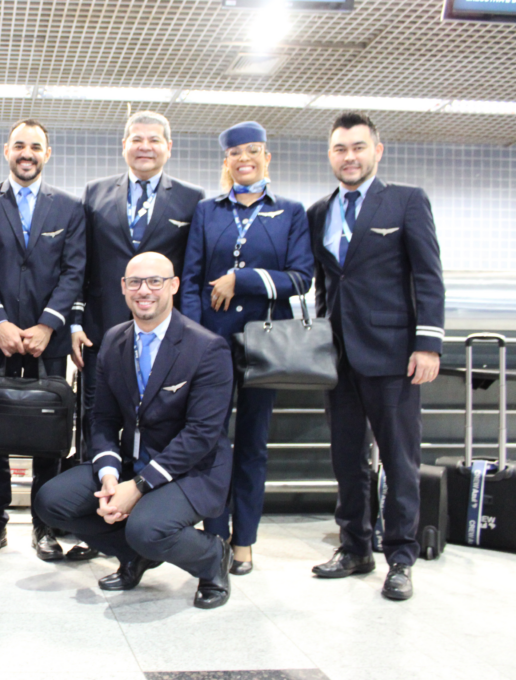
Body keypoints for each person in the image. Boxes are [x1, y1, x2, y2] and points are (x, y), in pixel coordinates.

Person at [36, 252, 236, 610]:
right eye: (135, 282)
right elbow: (104, 419)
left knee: (145, 527)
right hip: (132, 461)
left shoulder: (206, 347)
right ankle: (136, 556)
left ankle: (212, 557)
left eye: (155, 281)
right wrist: (111, 474)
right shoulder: (114, 340)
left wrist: (139, 487)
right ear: (123, 289)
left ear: (173, 286)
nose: (145, 290)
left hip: (192, 471)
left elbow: (202, 435)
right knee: (52, 502)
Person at [307, 112, 444, 601]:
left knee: (399, 460)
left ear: (376, 151)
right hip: (339, 358)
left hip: (393, 355)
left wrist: (428, 343)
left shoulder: (406, 201)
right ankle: (355, 547)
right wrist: (321, 337)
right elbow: (326, 283)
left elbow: (428, 275)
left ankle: (401, 557)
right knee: (346, 459)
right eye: (341, 149)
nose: (349, 157)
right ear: (331, 155)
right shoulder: (320, 211)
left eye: (358, 147)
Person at [181, 122, 314, 576]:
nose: (245, 159)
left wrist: (245, 278)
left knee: (253, 445)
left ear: (266, 157)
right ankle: (215, 533)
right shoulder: (207, 211)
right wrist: (195, 339)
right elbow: (193, 279)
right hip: (213, 346)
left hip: (265, 343)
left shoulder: (290, 212)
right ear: (226, 161)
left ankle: (246, 540)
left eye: (253, 151)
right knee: (212, 443)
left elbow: (301, 278)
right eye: (236, 153)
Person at [0, 119, 90, 561]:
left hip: (48, 340)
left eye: (36, 146)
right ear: (6, 151)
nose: (27, 153)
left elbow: (75, 271)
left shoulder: (70, 207)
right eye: (20, 145)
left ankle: (45, 523)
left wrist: (48, 324)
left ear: (47, 154)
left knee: (51, 434)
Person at [71, 111, 204, 464]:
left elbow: (191, 272)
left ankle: (150, 501)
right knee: (96, 418)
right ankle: (94, 498)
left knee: (161, 419)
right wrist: (75, 321)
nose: (145, 147)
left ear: (168, 147)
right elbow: (82, 265)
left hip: (165, 334)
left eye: (154, 140)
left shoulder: (192, 200)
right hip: (102, 332)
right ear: (124, 145)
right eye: (137, 139)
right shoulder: (95, 193)